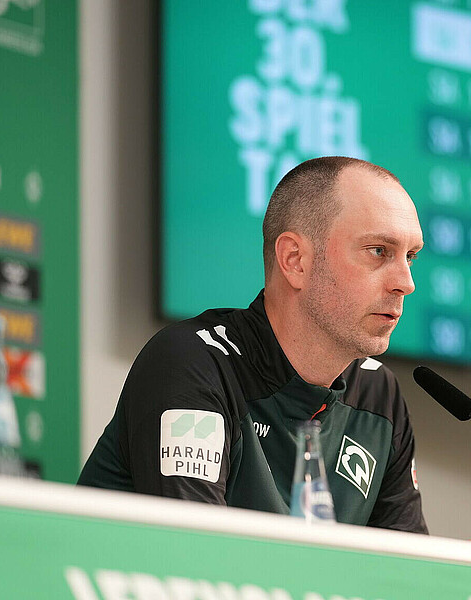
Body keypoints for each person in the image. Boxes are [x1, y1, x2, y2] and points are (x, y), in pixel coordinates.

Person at [78, 156, 427, 532]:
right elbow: (196, 562)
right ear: (295, 260)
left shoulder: (379, 396)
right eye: (379, 251)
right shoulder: (193, 364)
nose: (405, 283)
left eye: (410, 257)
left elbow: (399, 570)